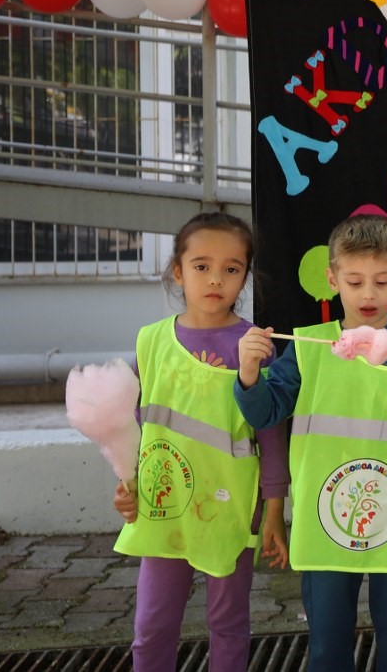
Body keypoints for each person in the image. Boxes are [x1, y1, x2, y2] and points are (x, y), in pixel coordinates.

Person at [235, 214, 387, 672]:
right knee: (327, 642)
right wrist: (249, 375)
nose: (368, 294)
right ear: (333, 280)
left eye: (382, 281)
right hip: (326, 519)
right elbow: (265, 412)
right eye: (355, 282)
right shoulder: (309, 345)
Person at [112, 211, 290, 672]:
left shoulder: (254, 345)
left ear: (245, 277)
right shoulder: (150, 342)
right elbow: (134, 424)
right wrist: (127, 484)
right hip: (164, 505)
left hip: (230, 508)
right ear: (178, 271)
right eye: (201, 266)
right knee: (152, 625)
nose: (216, 279)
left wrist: (273, 509)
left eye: (231, 268)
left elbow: (271, 433)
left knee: (228, 622)